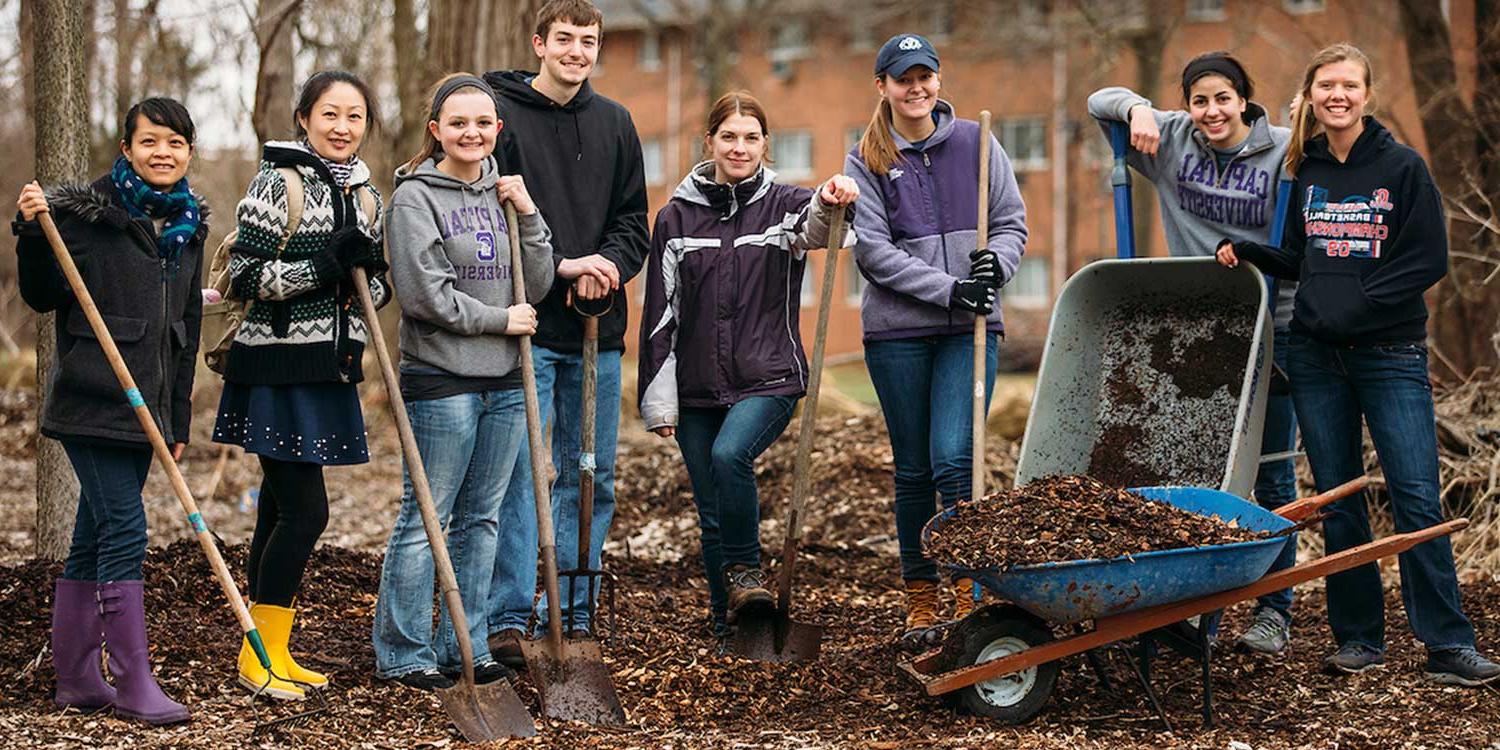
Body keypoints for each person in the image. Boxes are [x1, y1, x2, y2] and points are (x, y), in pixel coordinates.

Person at [1215, 43, 1499, 686]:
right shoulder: (1306, 171)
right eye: (1325, 86)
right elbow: (1302, 258)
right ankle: (1359, 638)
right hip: (1315, 358)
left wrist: (1357, 302)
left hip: (1389, 355)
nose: (1336, 96)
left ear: (1366, 95)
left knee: (1416, 496)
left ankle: (1448, 644)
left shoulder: (1401, 168)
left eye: (1348, 85)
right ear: (1311, 96)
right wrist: (1252, 252)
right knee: (1340, 501)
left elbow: (1427, 260)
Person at [1088, 51, 1300, 655]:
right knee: (1185, 469)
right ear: (1187, 104)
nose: (1212, 111)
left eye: (1223, 99)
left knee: (1273, 473)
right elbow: (1097, 101)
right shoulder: (1172, 140)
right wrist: (1135, 108)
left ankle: (1274, 610)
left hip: (1268, 323)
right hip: (1195, 331)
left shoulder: (1283, 149)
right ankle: (1175, 605)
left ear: (1244, 100)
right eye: (1199, 100)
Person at [11, 97, 205, 726]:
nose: (162, 153)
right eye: (149, 141)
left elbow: (187, 329)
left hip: (149, 408)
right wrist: (31, 233)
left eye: (175, 143)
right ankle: (132, 681)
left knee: (92, 538)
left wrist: (176, 418)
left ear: (189, 153)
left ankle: (76, 680)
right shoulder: (92, 216)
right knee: (126, 529)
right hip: (94, 400)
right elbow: (43, 294)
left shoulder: (188, 225)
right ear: (126, 148)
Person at [638, 91, 859, 637]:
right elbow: (661, 313)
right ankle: (727, 629)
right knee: (711, 508)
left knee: (730, 454)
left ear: (766, 144)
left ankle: (744, 570)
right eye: (729, 136)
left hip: (769, 376)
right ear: (708, 141)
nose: (740, 147)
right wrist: (658, 397)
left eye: (751, 137)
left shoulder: (787, 205)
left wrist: (835, 200)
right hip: (694, 386)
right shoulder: (675, 217)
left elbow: (823, 232)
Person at [371, 73, 555, 691]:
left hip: (506, 382)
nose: (471, 133)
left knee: (483, 519)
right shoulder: (414, 199)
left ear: (497, 130)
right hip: (441, 379)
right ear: (436, 132)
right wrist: (499, 320)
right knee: (427, 518)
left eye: (482, 123)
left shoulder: (505, 194)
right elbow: (424, 296)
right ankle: (403, 651)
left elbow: (540, 279)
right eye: (457, 123)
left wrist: (528, 215)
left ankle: (465, 645)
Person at [845, 34, 1027, 649]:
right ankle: (922, 595)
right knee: (916, 470)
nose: (916, 88)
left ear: (938, 81)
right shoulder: (863, 159)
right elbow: (873, 253)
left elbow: (1011, 222)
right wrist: (950, 288)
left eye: (925, 76)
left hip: (970, 331)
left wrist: (992, 269)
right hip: (899, 334)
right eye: (903, 78)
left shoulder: (977, 143)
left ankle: (966, 587)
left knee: (957, 458)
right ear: (883, 87)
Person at [214, 71, 391, 700]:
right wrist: (324, 265)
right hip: (274, 366)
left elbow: (374, 293)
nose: (342, 128)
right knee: (306, 511)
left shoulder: (369, 194)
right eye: (330, 115)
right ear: (303, 119)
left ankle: (268, 653)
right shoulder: (278, 181)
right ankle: (257, 652)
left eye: (355, 117)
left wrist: (366, 276)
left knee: (279, 509)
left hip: (330, 368)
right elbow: (245, 275)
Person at [482, 0, 649, 666]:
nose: (578, 51)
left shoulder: (616, 123)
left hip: (597, 330)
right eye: (566, 40)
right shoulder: (504, 117)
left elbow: (635, 219)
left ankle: (574, 609)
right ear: (540, 44)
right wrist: (559, 267)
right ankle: (512, 614)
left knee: (590, 474)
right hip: (527, 327)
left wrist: (608, 263)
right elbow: (491, 216)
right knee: (523, 472)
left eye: (589, 41)